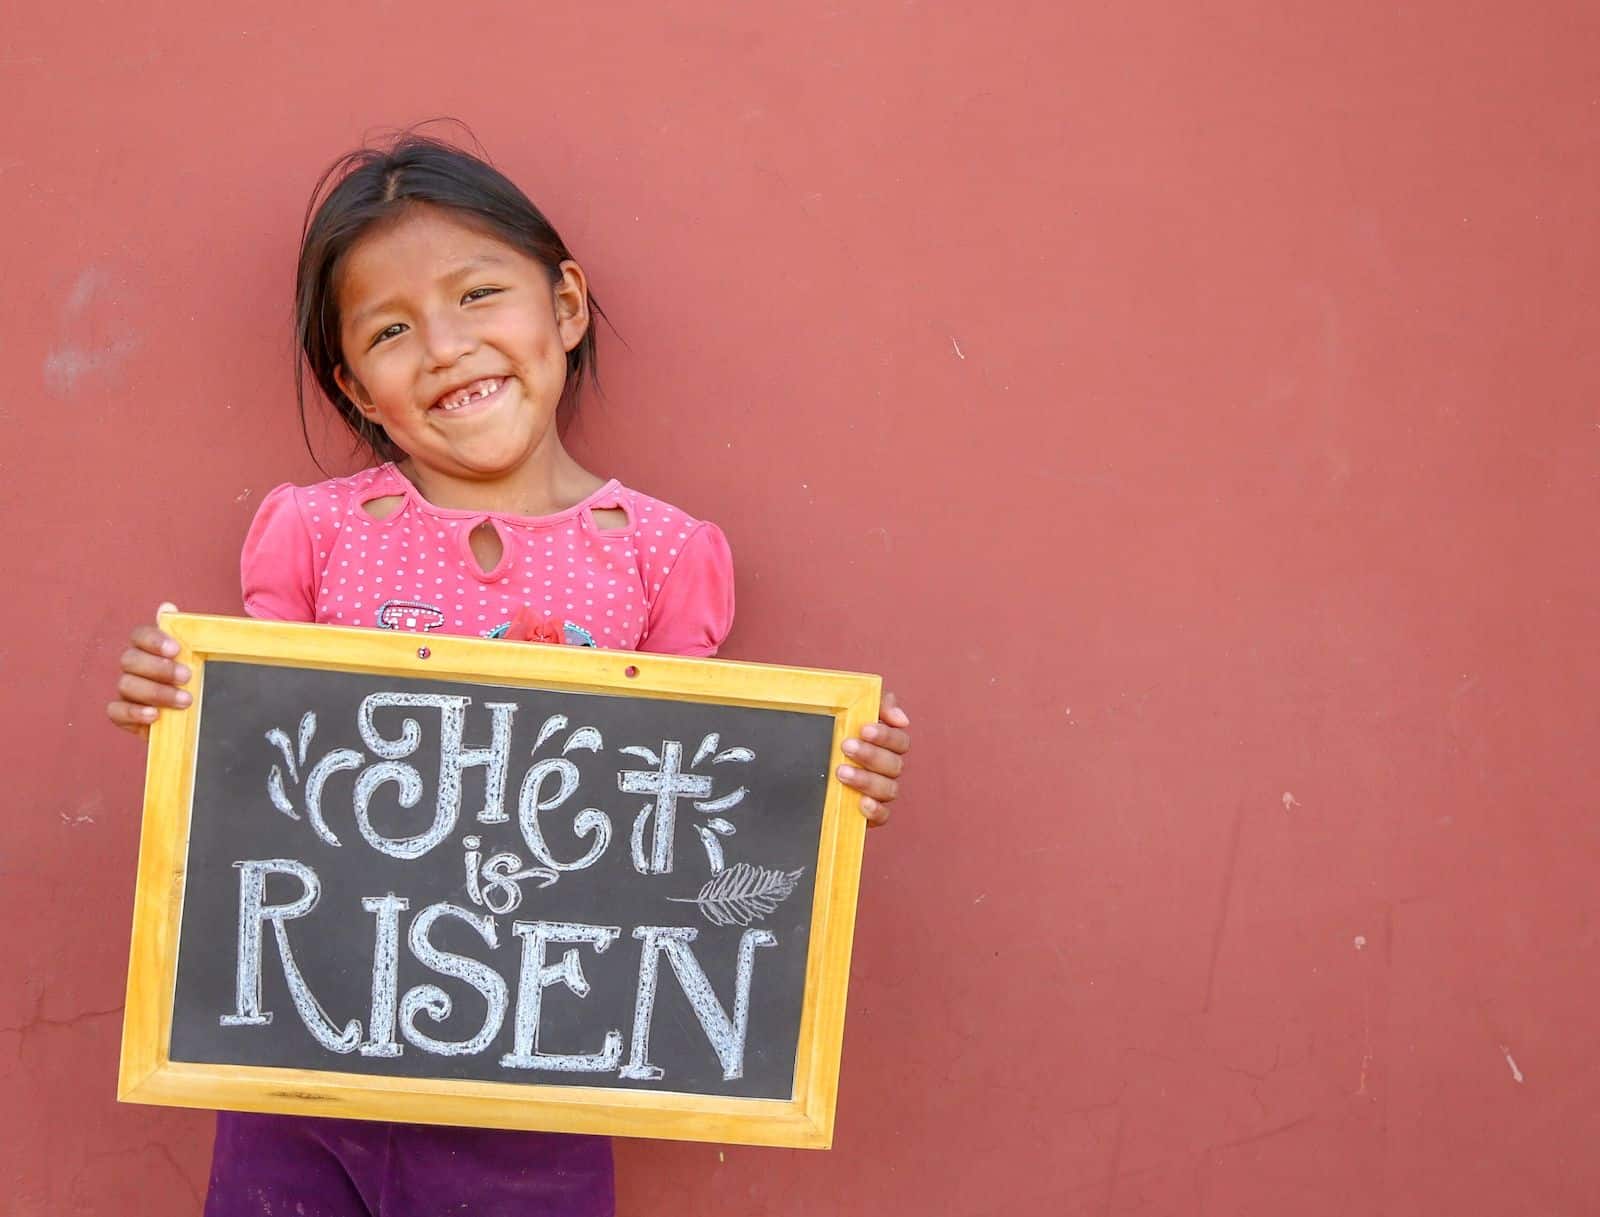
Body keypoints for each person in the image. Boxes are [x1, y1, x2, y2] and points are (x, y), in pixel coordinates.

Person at [104, 132, 912, 1216]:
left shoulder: (660, 555)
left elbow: (689, 810)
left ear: (565, 308)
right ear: (356, 383)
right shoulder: (315, 535)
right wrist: (178, 701)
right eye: (391, 330)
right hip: (300, 1072)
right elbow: (255, 759)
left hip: (541, 1084)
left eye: (479, 293)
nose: (444, 346)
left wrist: (826, 782)